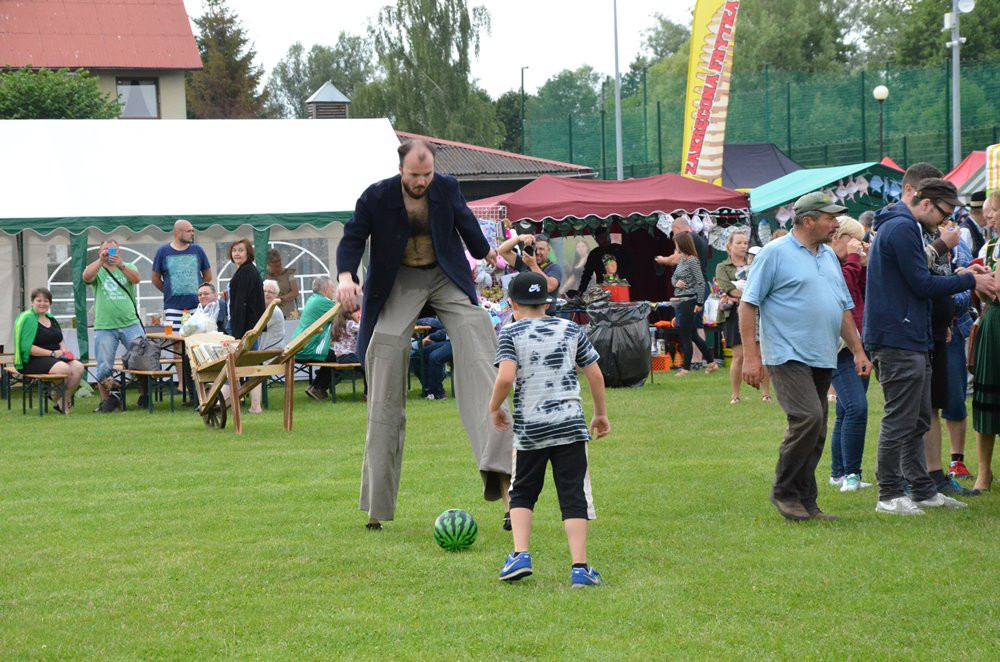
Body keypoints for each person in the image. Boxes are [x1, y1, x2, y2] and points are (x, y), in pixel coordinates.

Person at [334, 139, 513, 530]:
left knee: (482, 350)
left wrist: (494, 256)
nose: (422, 182)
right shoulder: (376, 196)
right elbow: (352, 238)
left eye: (428, 174)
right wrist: (346, 277)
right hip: (399, 282)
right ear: (402, 170)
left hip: (445, 277)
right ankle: (376, 508)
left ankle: (508, 495)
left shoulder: (446, 187)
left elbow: (468, 227)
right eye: (416, 176)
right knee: (383, 367)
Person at [864, 175, 995, 515]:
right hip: (896, 337)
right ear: (924, 203)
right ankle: (889, 494)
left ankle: (922, 489)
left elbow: (921, 279)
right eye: (944, 213)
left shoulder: (908, 227)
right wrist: (970, 279)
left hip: (912, 335)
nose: (946, 221)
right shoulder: (903, 227)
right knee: (900, 419)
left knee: (919, 418)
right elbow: (921, 283)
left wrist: (963, 272)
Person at [740, 191, 871, 522]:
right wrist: (751, 357)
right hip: (786, 353)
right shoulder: (774, 253)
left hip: (823, 354)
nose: (835, 223)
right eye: (829, 218)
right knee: (808, 419)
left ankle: (806, 502)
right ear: (808, 220)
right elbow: (748, 304)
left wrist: (857, 350)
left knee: (818, 429)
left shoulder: (827, 255)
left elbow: (842, 307)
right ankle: (784, 491)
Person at [490, 271, 610, 587]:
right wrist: (600, 415)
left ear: (512, 303)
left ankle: (520, 554)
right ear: (547, 302)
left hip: (531, 429)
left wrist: (494, 407)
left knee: (522, 491)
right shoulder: (571, 329)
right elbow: (595, 375)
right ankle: (580, 568)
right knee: (573, 495)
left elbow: (505, 378)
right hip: (571, 426)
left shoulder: (510, 333)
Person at [827, 217, 872, 492]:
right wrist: (855, 259)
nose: (857, 244)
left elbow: (864, 292)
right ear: (837, 238)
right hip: (839, 347)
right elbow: (840, 292)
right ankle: (851, 474)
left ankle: (839, 473)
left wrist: (864, 264)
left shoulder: (850, 264)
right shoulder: (828, 262)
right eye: (852, 239)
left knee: (845, 411)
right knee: (857, 408)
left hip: (859, 345)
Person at [82, 239, 147, 412]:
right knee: (103, 365)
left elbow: (137, 279)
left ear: (119, 252)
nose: (110, 253)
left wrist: (121, 266)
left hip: (130, 323)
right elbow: (86, 277)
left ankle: (144, 396)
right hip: (105, 325)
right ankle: (107, 401)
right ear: (100, 252)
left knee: (143, 359)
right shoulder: (98, 268)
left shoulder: (129, 266)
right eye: (106, 250)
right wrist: (101, 261)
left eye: (113, 250)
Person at [152, 219, 212, 403]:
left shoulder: (198, 251)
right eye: (189, 231)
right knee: (177, 345)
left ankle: (200, 379)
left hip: (196, 307)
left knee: (198, 342)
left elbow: (207, 274)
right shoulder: (163, 251)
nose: (192, 234)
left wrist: (200, 292)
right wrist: (170, 291)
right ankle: (182, 383)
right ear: (177, 232)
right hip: (172, 307)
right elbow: (155, 278)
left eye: (192, 231)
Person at [13, 287, 86, 413]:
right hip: (32, 359)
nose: (42, 303)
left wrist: (65, 351)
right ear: (32, 302)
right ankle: (55, 395)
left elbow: (59, 338)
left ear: (50, 303)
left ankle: (62, 400)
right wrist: (52, 353)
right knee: (63, 368)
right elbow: (27, 348)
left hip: (55, 357)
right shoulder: (27, 319)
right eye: (39, 300)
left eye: (46, 301)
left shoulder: (51, 318)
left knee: (79, 367)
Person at [971, 189, 1000, 493]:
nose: (988, 217)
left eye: (993, 211)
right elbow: (984, 293)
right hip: (994, 321)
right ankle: (983, 473)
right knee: (986, 396)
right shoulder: (989, 247)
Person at [716, 230, 761, 403]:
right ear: (729, 246)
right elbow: (728, 288)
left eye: (745, 243)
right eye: (739, 243)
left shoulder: (756, 262)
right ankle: (735, 395)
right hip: (733, 314)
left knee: (760, 354)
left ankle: (766, 394)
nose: (743, 246)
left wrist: (739, 295)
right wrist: (748, 294)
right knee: (739, 355)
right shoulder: (722, 266)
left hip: (757, 311)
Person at [667, 232, 718, 376]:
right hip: (681, 300)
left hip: (690, 300)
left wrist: (700, 302)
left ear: (682, 244)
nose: (675, 246)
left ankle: (686, 368)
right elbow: (673, 277)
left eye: (676, 243)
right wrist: (676, 282)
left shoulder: (692, 261)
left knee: (685, 335)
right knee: (693, 335)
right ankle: (711, 363)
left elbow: (701, 282)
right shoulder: (682, 260)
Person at [293, 276, 337, 401]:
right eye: (332, 289)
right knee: (340, 357)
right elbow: (344, 316)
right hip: (309, 347)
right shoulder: (324, 302)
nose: (333, 292)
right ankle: (318, 388)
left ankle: (316, 386)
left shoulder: (313, 299)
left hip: (300, 346)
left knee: (333, 356)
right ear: (326, 289)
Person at [498, 233, 563, 315]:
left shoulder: (554, 268)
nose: (538, 252)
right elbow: (502, 251)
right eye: (535, 248)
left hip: (546, 317)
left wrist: (533, 265)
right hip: (524, 316)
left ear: (548, 251)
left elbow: (549, 287)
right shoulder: (525, 262)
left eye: (541, 249)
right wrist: (519, 238)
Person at [248, 279, 285, 414]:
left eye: (271, 292)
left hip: (272, 353)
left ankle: (255, 407)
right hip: (262, 351)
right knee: (242, 363)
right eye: (264, 291)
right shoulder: (263, 309)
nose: (267, 294)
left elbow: (254, 330)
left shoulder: (273, 311)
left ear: (276, 296)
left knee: (251, 367)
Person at [227, 239, 265, 340]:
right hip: (248, 327)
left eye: (240, 250)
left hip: (246, 329)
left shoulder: (246, 271)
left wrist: (238, 335)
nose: (236, 253)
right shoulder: (246, 270)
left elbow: (242, 302)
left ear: (248, 253)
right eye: (234, 250)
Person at [410, 317, 451, 401]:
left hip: (459, 341)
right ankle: (429, 388)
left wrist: (431, 337)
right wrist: (431, 337)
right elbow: (444, 330)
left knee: (434, 357)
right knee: (417, 355)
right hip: (446, 340)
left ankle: (438, 393)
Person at [266, 248, 299, 318]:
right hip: (271, 312)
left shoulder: (289, 273)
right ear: (268, 264)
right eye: (274, 262)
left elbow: (295, 292)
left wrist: (281, 298)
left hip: (289, 311)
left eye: (279, 261)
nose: (278, 264)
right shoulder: (264, 275)